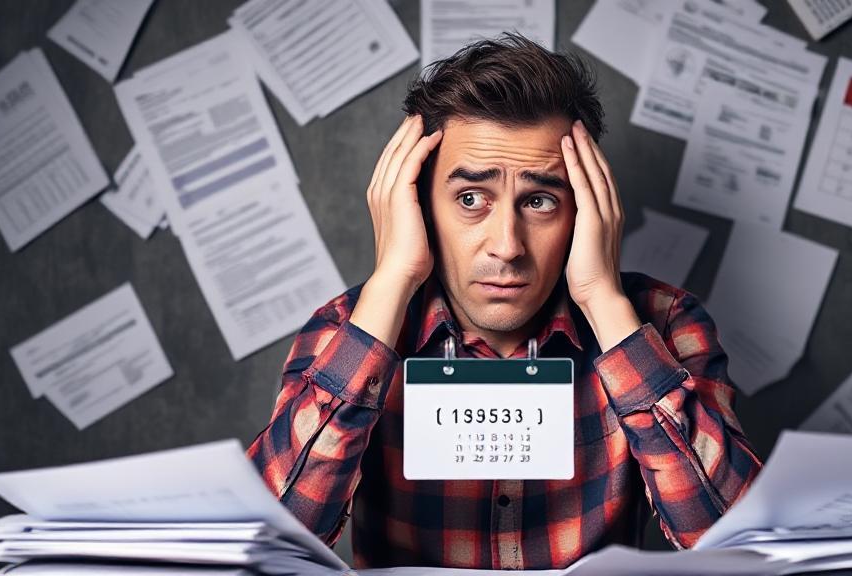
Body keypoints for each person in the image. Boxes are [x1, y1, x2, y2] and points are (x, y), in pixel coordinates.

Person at [247, 34, 762, 570]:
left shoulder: (666, 323)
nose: (507, 246)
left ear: (587, 209)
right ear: (418, 205)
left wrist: (603, 300)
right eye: (470, 199)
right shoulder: (344, 330)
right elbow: (268, 545)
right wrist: (392, 281)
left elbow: (738, 547)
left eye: (540, 201)